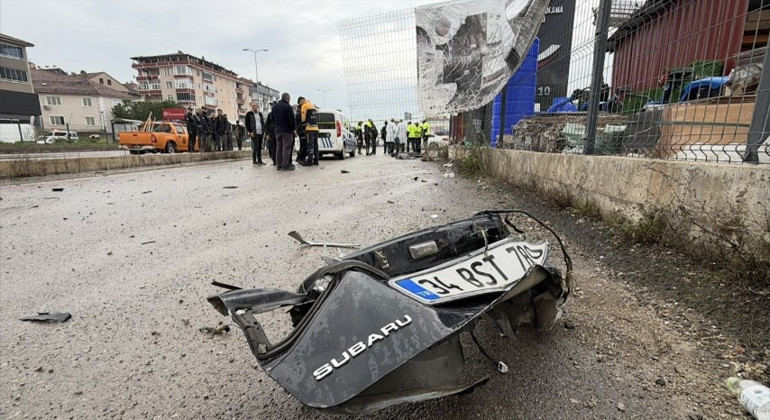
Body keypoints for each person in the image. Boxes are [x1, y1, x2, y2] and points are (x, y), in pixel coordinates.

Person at [272, 93, 296, 171]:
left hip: (277, 130)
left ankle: (278, 165)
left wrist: (277, 126)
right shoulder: (288, 107)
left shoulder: (274, 107)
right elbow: (291, 120)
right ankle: (285, 164)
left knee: (279, 148)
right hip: (286, 131)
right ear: (288, 98)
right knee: (286, 147)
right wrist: (293, 130)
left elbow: (273, 119)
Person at [299, 96, 320, 165]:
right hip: (316, 128)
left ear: (301, 101)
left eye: (300, 103)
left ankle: (309, 161)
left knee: (310, 144)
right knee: (315, 144)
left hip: (309, 128)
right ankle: (316, 160)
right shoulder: (312, 105)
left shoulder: (304, 106)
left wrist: (302, 124)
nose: (300, 105)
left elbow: (303, 118)